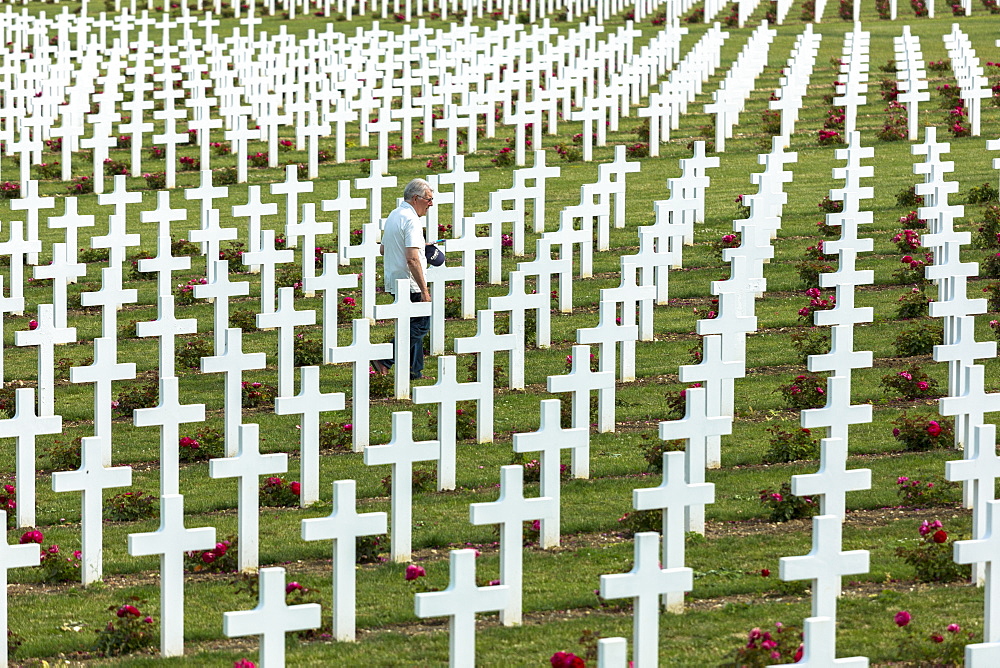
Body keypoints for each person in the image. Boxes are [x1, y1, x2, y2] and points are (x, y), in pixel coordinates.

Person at [372, 178, 434, 381]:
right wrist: (424, 290)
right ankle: (385, 358)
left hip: (394, 280)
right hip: (410, 283)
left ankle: (414, 371)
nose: (431, 204)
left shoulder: (394, 215)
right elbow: (412, 258)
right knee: (421, 325)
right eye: (428, 199)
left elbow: (383, 248)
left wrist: (421, 244)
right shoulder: (412, 220)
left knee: (411, 324)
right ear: (416, 198)